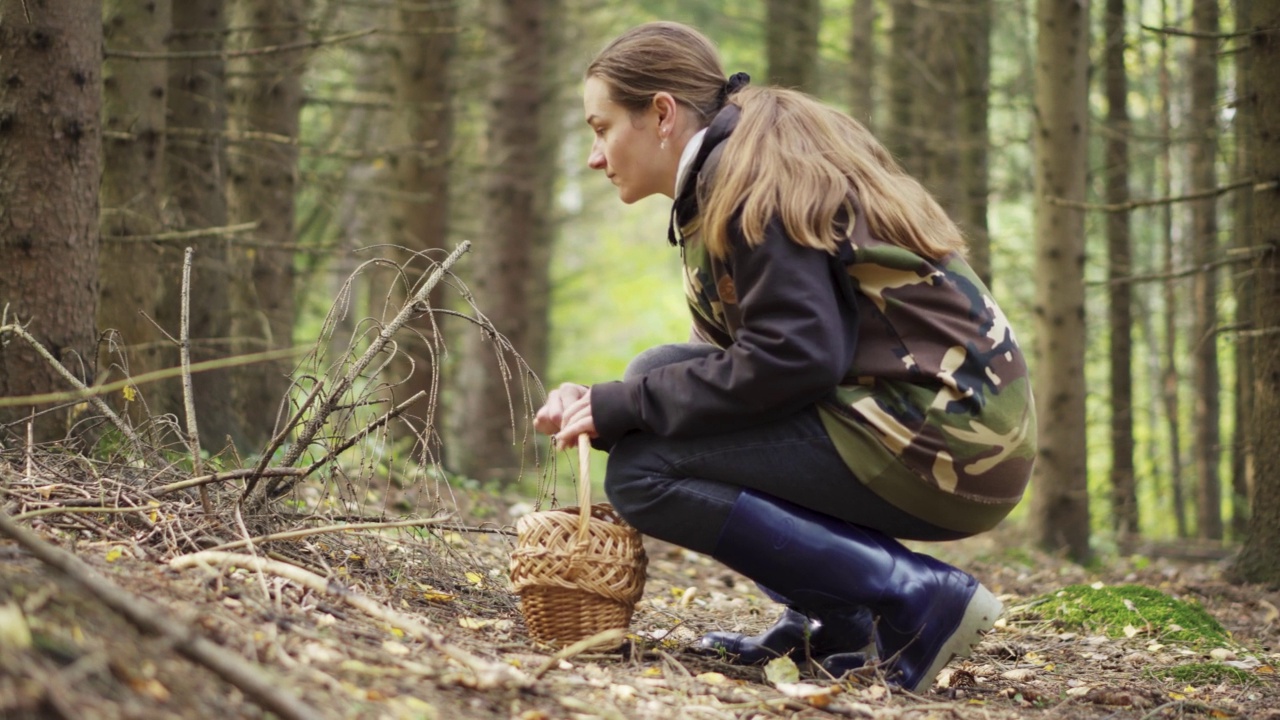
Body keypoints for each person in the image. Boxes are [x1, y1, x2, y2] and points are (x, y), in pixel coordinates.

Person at [533, 21, 1036, 693]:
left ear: (660, 113)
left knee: (644, 471)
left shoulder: (748, 178)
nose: (596, 156)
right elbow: (776, 361)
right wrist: (616, 402)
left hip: (948, 438)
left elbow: (794, 360)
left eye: (601, 128)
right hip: (935, 422)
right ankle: (838, 625)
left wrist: (621, 409)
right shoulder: (741, 158)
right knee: (655, 371)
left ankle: (915, 597)